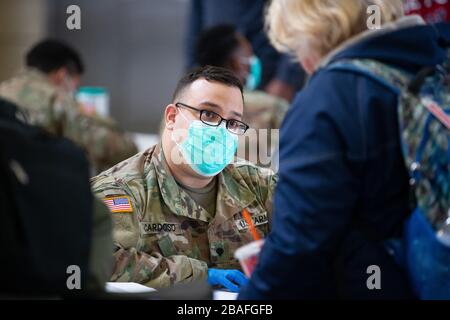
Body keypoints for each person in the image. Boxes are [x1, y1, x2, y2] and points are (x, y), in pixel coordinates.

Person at [239, 0, 450, 299]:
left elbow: (298, 247)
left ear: (312, 29)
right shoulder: (433, 61)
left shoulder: (328, 100)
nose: (299, 60)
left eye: (295, 45)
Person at [91, 66, 277, 292]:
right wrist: (196, 274)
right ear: (171, 117)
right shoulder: (121, 190)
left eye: (232, 123)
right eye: (208, 114)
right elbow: (98, 259)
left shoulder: (259, 185)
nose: (220, 130)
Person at [0, 39, 138, 174]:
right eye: (75, 85)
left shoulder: (3, 90)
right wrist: (130, 144)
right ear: (62, 74)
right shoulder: (56, 99)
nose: (74, 90)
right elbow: (109, 147)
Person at [193, 24, 288, 168]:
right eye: (249, 56)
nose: (253, 62)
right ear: (237, 64)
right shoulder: (273, 108)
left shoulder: (181, 108)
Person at [185, 0, 305, 102]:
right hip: (215, 77)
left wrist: (286, 78)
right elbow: (195, 25)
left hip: (271, 81)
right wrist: (193, 77)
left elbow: (295, 17)